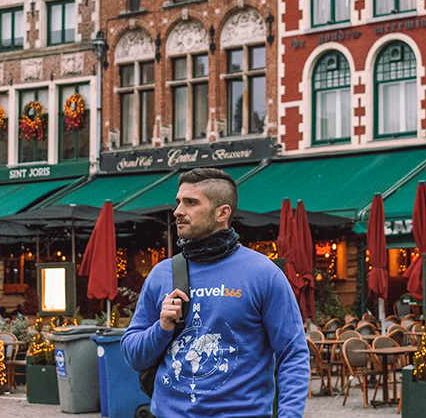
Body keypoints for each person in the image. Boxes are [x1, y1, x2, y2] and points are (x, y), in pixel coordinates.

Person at [123, 167, 309, 418]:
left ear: (222, 213)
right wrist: (162, 328)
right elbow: (133, 357)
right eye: (178, 202)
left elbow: (293, 354)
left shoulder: (263, 273)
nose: (177, 211)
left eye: (191, 202)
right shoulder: (162, 273)